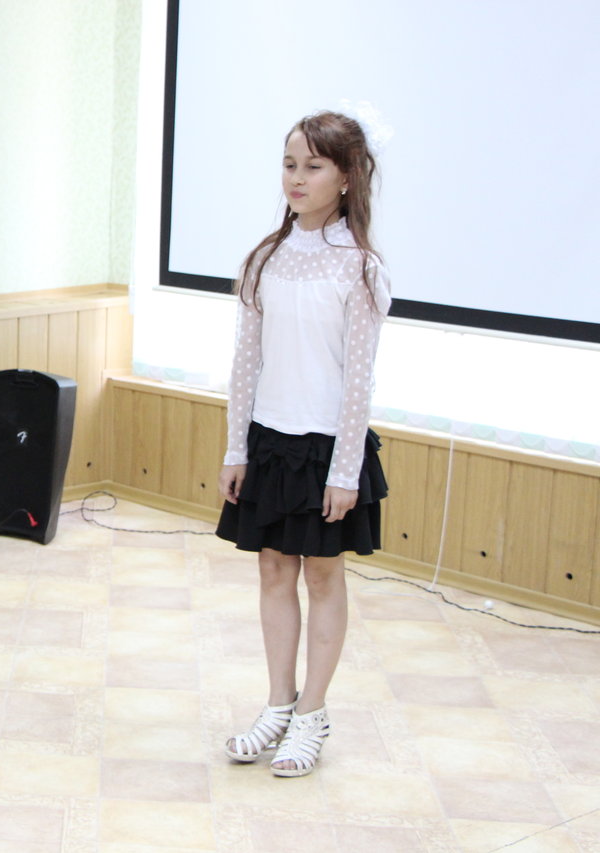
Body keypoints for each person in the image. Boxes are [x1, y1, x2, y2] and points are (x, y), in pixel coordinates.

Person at [216, 111, 390, 777]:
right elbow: (245, 363)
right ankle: (278, 703)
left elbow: (358, 380)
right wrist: (237, 449)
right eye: (290, 164)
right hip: (270, 441)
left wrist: (345, 470)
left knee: (322, 573)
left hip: (327, 448)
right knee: (272, 569)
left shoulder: (360, 267)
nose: (297, 177)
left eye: (313, 166)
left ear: (345, 177)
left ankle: (313, 714)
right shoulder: (265, 259)